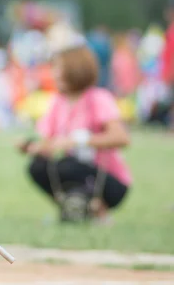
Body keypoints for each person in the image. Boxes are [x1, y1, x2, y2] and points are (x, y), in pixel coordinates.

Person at [21, 35, 132, 222]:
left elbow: (122, 137)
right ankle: (73, 208)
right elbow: (49, 142)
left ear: (74, 69)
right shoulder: (58, 102)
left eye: (58, 68)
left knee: (68, 166)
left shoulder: (97, 98)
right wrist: (32, 146)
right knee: (38, 166)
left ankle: (97, 208)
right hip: (75, 168)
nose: (53, 74)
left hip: (107, 179)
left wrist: (80, 139)